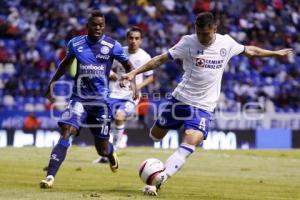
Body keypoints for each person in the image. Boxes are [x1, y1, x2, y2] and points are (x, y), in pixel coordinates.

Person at [122, 12, 292, 196]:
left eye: (206, 34)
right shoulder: (188, 42)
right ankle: (169, 147)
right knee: (155, 135)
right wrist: (133, 73)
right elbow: (160, 59)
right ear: (195, 29)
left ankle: (161, 177)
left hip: (203, 106)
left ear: (215, 30)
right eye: (199, 33)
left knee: (192, 140)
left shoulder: (226, 43)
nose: (202, 37)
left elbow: (251, 51)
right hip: (180, 99)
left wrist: (274, 53)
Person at [40, 10, 138, 189]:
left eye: (101, 25)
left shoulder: (112, 45)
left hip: (101, 103)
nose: (98, 28)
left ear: (104, 26)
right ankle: (50, 176)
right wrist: (52, 83)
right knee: (67, 131)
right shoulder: (75, 44)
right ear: (88, 26)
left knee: (101, 148)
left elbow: (128, 65)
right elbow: (65, 64)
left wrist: (134, 85)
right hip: (79, 99)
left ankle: (110, 153)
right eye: (94, 25)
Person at [94, 26, 154, 163]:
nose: (134, 41)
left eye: (137, 38)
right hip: (113, 93)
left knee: (120, 117)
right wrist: (113, 76)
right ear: (127, 39)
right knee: (103, 121)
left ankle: (113, 151)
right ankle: (105, 152)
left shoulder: (145, 57)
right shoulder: (119, 52)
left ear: (141, 40)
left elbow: (150, 77)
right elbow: (106, 69)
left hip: (130, 96)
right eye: (131, 38)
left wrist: (137, 87)